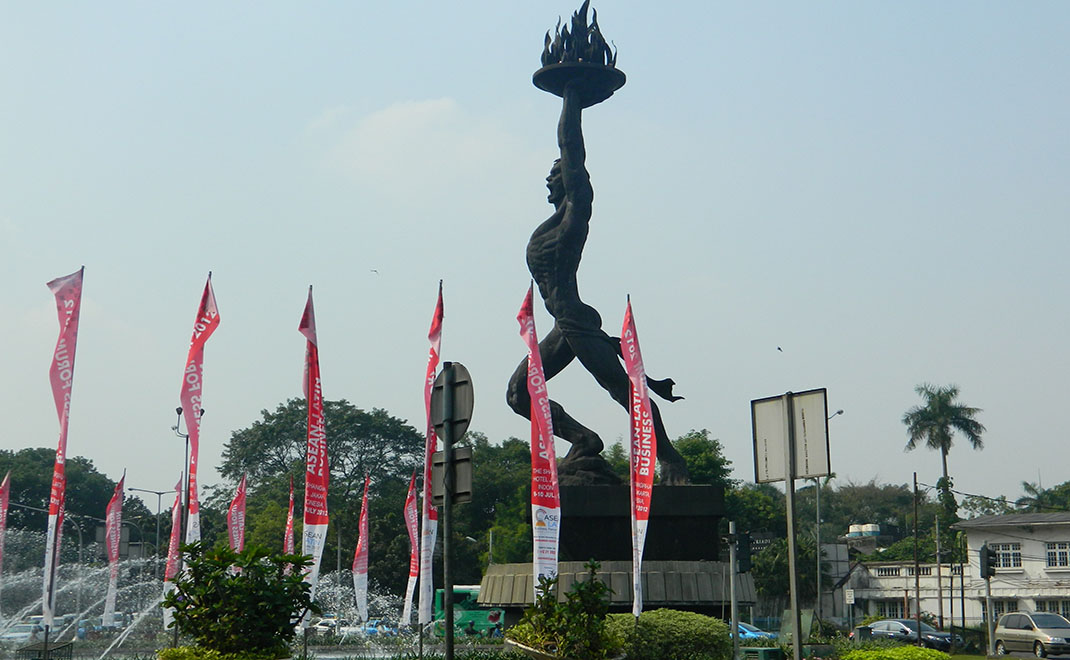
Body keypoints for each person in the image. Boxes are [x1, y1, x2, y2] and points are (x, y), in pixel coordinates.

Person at [507, 79, 689, 485]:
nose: (549, 178)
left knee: (624, 394)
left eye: (556, 173)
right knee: (519, 394)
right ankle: (585, 440)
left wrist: (572, 96)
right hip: (565, 326)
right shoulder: (549, 226)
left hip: (575, 321)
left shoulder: (572, 221)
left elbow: (571, 149)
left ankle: (671, 458)